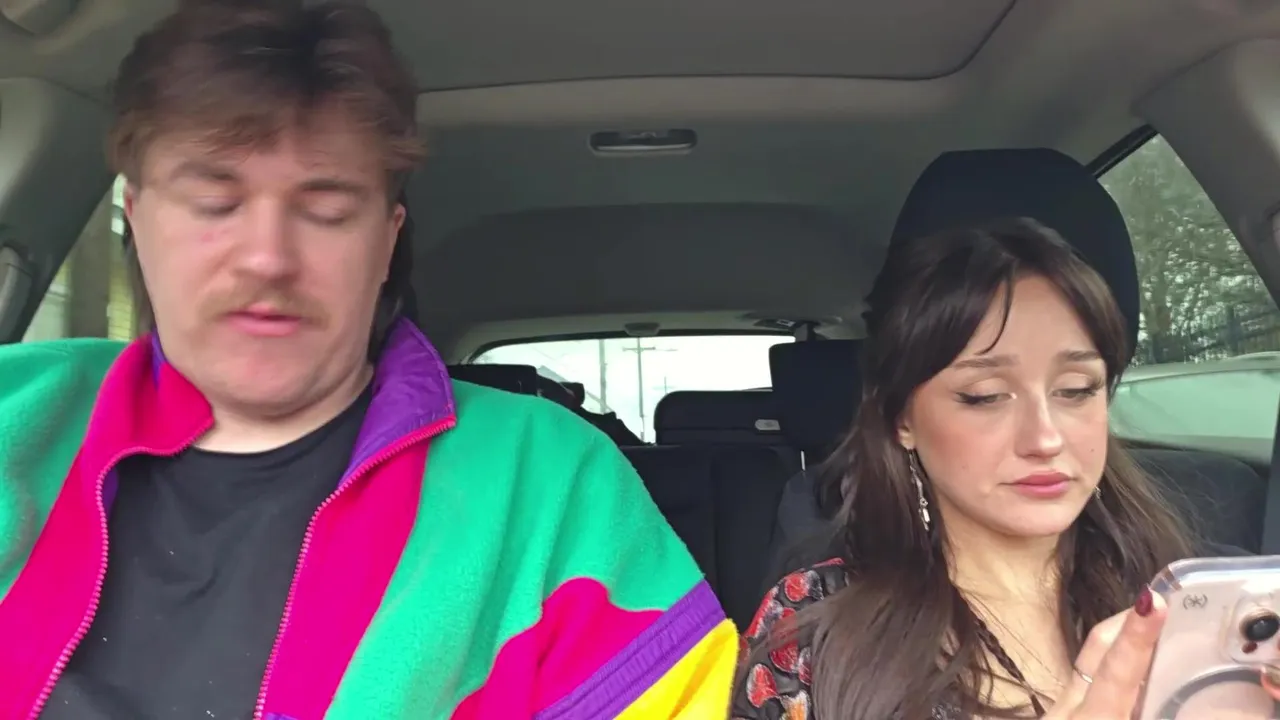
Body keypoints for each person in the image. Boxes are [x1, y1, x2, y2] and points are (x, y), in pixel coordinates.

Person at [0, 2, 736, 719]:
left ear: (386, 242)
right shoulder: (17, 409)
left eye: (326, 209)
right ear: (136, 216)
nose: (267, 258)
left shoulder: (547, 480)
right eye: (214, 201)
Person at [731, 218, 1279, 719]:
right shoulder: (813, 635)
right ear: (902, 420)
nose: (1045, 438)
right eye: (985, 396)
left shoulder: (1203, 599)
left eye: (1077, 389)